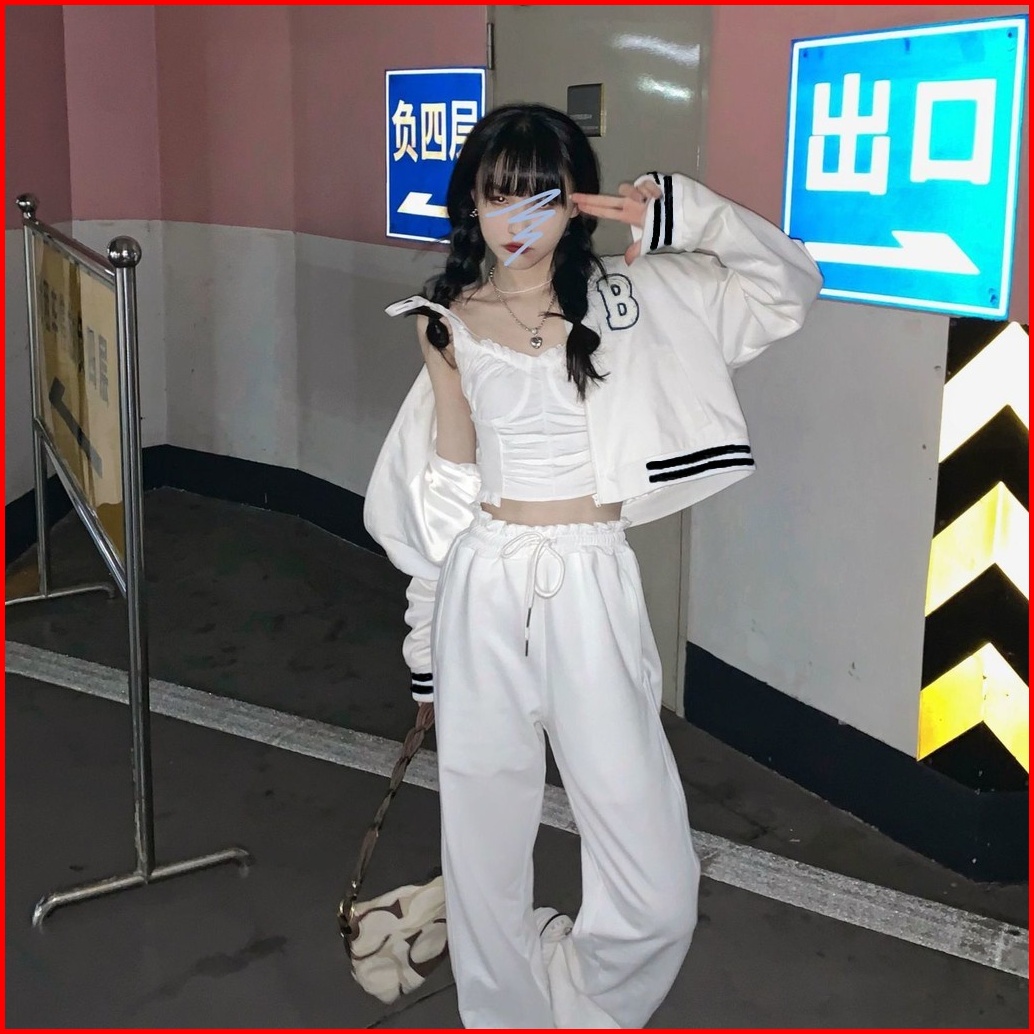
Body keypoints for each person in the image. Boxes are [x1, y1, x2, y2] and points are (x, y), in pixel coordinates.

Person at [364, 103, 821, 1028]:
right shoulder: (445, 323)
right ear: (471, 205)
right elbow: (447, 491)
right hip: (482, 582)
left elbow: (787, 286)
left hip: (590, 578)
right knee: (482, 837)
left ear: (577, 203)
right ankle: (503, 1013)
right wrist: (425, 646)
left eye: (543, 196)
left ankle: (584, 1002)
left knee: (649, 859)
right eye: (499, 196)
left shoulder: (636, 299)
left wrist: (681, 217)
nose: (519, 220)